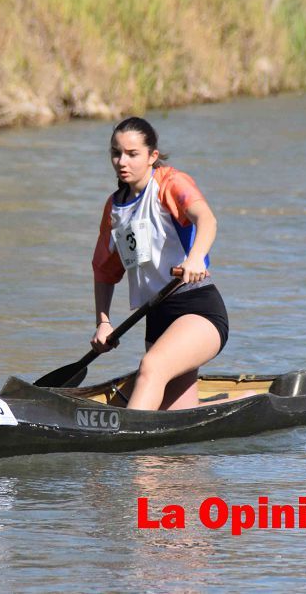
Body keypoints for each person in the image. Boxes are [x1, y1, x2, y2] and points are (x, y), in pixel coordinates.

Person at [90, 117, 229, 410]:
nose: (121, 161)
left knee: (151, 367)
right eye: (116, 153)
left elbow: (207, 219)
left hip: (197, 309)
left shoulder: (169, 183)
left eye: (132, 154)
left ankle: (123, 447)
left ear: (152, 156)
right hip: (156, 318)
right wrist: (103, 322)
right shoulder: (115, 208)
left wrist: (194, 259)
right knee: (176, 424)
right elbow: (104, 272)